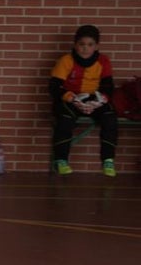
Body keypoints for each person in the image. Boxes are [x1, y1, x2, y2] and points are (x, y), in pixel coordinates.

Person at [49, 24, 118, 177]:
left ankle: (108, 160)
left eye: (90, 45)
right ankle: (61, 160)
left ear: (96, 46)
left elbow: (108, 86)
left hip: (94, 98)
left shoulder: (103, 61)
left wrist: (99, 101)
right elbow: (54, 87)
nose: (85, 48)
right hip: (70, 98)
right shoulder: (66, 60)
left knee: (110, 118)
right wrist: (73, 99)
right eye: (81, 44)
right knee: (65, 120)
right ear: (75, 44)